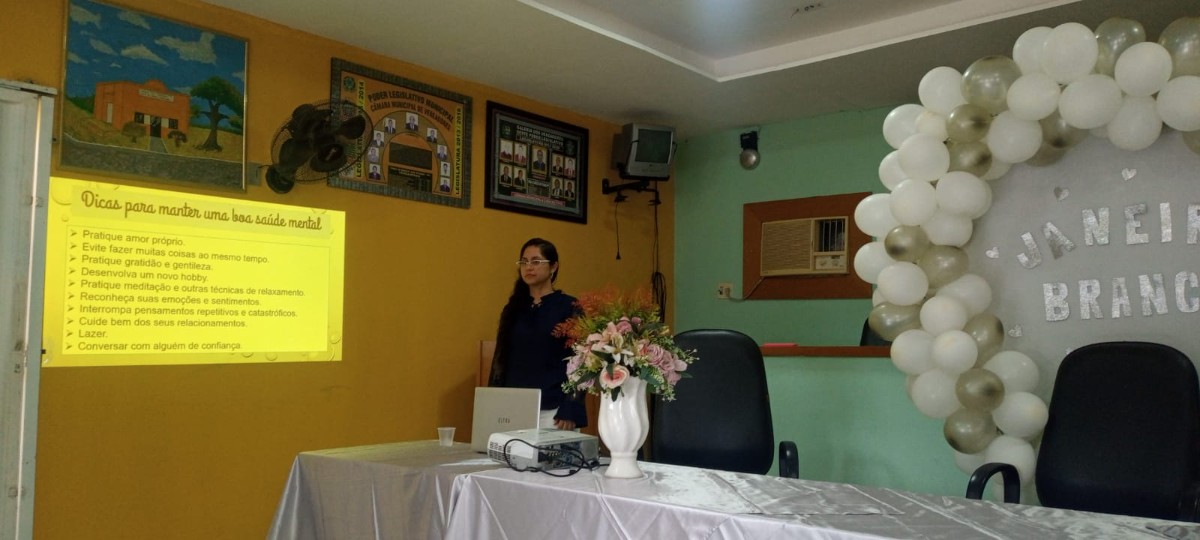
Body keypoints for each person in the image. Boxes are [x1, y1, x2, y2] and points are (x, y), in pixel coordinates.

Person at [488, 238, 586, 430]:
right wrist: (493, 403)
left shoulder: (570, 307)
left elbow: (581, 362)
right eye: (523, 262)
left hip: (554, 410)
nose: (528, 267)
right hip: (513, 407)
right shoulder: (513, 308)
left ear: (553, 266)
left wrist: (571, 406)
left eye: (536, 261)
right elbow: (500, 360)